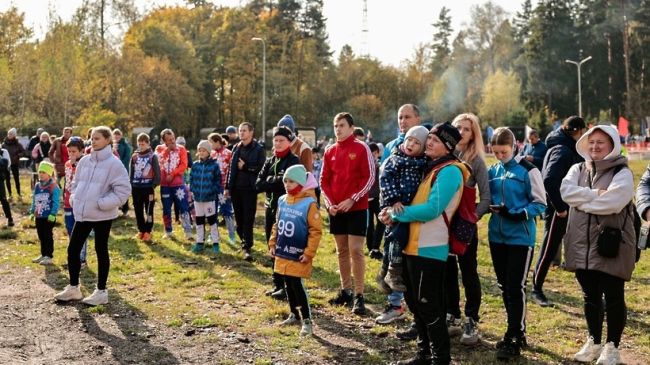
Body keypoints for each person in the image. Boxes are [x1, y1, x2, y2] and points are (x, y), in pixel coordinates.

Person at [384, 122, 467, 365]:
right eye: (429, 138)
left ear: (448, 148)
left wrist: (397, 213)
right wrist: (389, 211)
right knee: (415, 304)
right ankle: (423, 354)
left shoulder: (450, 171)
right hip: (413, 245)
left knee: (429, 307)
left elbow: (433, 209)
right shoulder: (430, 168)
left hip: (431, 248)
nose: (429, 142)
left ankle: (441, 358)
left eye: (435, 141)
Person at [561, 125, 636, 365]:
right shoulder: (577, 168)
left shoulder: (622, 172)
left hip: (611, 244)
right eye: (591, 142)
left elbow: (613, 203)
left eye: (600, 142)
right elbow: (566, 193)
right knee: (589, 295)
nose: (594, 147)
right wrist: (596, 194)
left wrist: (583, 199)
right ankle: (593, 341)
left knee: (613, 296)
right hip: (581, 244)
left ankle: (612, 346)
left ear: (612, 144)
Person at [54, 126, 131, 306]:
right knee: (73, 250)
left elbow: (124, 191)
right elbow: (75, 182)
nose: (93, 141)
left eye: (97, 138)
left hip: (102, 215)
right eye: (92, 138)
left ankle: (101, 292)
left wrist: (102, 204)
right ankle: (74, 288)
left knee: (100, 250)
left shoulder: (114, 163)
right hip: (82, 213)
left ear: (107, 140)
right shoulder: (85, 161)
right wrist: (74, 198)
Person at [487, 127, 546, 361]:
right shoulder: (493, 170)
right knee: (503, 285)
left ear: (515, 147)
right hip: (496, 236)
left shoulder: (528, 171)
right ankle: (514, 328)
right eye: (495, 152)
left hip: (521, 237)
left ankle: (516, 333)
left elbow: (540, 203)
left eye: (504, 152)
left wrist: (517, 213)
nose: (500, 156)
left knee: (515, 286)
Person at [320, 112, 374, 315]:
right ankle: (346, 291)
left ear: (351, 128)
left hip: (357, 208)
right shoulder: (329, 150)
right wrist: (330, 204)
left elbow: (369, 177)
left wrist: (353, 198)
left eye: (342, 125)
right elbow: (323, 180)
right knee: (341, 250)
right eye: (335, 125)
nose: (338, 129)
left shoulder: (362, 148)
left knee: (356, 250)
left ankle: (359, 295)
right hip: (336, 209)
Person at [532, 116, 587, 307]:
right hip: (559, 209)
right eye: (584, 132)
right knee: (549, 248)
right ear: (577, 131)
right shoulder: (562, 150)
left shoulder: (564, 145)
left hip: (570, 206)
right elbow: (549, 180)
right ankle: (536, 289)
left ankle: (589, 292)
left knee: (578, 249)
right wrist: (561, 209)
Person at [446, 113, 491, 345]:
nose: (461, 132)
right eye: (458, 128)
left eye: (466, 129)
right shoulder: (445, 155)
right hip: (442, 223)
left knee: (469, 272)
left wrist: (472, 218)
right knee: (447, 270)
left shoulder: (476, 161)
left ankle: (471, 318)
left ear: (473, 134)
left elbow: (486, 197)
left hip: (464, 225)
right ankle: (452, 315)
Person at [376, 103, 421, 327]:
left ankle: (415, 312)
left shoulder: (425, 145)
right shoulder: (392, 147)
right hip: (393, 212)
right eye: (400, 117)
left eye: (407, 117)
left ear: (418, 119)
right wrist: (384, 210)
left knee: (409, 264)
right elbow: (385, 180)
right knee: (391, 252)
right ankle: (394, 304)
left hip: (416, 215)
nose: (403, 121)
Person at [269, 164, 322, 336]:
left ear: (300, 182)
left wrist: (308, 253)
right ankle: (294, 314)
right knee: (287, 284)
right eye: (285, 181)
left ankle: (307, 320)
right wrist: (272, 244)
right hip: (282, 251)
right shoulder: (282, 200)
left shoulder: (309, 203)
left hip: (298, 254)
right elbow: (277, 224)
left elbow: (315, 231)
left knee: (296, 284)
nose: (287, 184)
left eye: (291, 181)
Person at [379, 126, 429, 292]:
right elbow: (385, 181)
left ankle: (384, 273)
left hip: (411, 206)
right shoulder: (395, 160)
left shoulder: (422, 163)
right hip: (398, 205)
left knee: (398, 237)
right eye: (409, 140)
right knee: (397, 236)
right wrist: (393, 200)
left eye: (416, 143)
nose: (411, 144)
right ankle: (393, 270)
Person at [256, 126, 300, 298]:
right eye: (275, 140)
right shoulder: (270, 160)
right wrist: (276, 180)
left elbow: (291, 183)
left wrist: (271, 181)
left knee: (285, 248)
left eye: (282, 140)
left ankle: (288, 286)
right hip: (270, 208)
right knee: (272, 245)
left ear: (289, 142)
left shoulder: (294, 160)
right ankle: (277, 283)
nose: (278, 143)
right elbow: (258, 184)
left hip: (287, 211)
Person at [226, 122, 265, 261]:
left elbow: (261, 169)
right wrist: (227, 187)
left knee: (248, 219)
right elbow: (231, 169)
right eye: (240, 130)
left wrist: (246, 166)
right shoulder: (236, 147)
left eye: (244, 130)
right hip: (236, 189)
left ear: (251, 132)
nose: (241, 133)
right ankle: (244, 242)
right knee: (239, 219)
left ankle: (247, 247)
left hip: (250, 189)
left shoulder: (259, 149)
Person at [155, 129, 193, 241]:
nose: (172, 141)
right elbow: (158, 162)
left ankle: (188, 231)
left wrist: (173, 174)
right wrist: (167, 150)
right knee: (166, 208)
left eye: (173, 138)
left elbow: (184, 164)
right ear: (164, 141)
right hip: (165, 185)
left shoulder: (181, 149)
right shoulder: (159, 149)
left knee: (183, 207)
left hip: (178, 184)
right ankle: (168, 231)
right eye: (169, 140)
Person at [190, 140, 222, 254]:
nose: (202, 152)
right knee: (199, 221)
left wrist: (211, 191)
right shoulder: (195, 165)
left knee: (212, 221)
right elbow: (191, 179)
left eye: (204, 150)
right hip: (198, 198)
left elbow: (218, 181)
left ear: (209, 152)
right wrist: (193, 190)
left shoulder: (214, 166)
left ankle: (215, 242)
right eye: (200, 150)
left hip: (209, 199)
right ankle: (199, 242)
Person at [130, 133, 161, 243]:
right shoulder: (134, 156)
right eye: (139, 144)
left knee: (148, 210)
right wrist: (131, 184)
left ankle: (148, 230)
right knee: (138, 210)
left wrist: (153, 185)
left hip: (148, 188)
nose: (141, 146)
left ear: (148, 144)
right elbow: (131, 172)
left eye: (143, 144)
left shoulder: (153, 156)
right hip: (136, 187)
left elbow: (157, 174)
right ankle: (141, 230)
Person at [63, 137, 89, 267]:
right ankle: (73, 255)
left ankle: (82, 258)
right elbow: (66, 182)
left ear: (82, 151)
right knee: (69, 228)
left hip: (80, 202)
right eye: (69, 151)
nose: (71, 154)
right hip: (68, 201)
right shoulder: (67, 164)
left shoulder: (85, 163)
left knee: (79, 231)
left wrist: (75, 165)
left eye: (74, 151)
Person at [208, 133, 237, 245]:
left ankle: (232, 235)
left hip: (224, 187)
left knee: (227, 211)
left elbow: (231, 171)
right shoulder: (211, 154)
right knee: (212, 211)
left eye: (211, 143)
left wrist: (228, 187)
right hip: (212, 188)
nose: (210, 146)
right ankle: (213, 235)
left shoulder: (228, 154)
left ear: (217, 141)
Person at [29, 161, 60, 265]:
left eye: (44, 172)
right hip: (39, 215)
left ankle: (49, 256)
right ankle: (43, 254)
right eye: (40, 172)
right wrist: (32, 211)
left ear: (49, 174)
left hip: (48, 216)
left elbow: (56, 201)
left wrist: (53, 213)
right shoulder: (37, 186)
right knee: (41, 235)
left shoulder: (53, 186)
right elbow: (34, 199)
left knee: (47, 235)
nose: (41, 174)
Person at [366, 142, 383, 260]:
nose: (372, 155)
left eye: (375, 153)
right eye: (370, 153)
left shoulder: (380, 166)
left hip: (377, 198)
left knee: (381, 221)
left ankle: (375, 246)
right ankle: (371, 247)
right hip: (366, 198)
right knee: (369, 225)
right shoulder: (364, 166)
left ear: (378, 153)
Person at [113, 129, 132, 216]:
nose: (116, 136)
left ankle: (125, 209)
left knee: (123, 189)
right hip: (112, 172)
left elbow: (126, 159)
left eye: (118, 135)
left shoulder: (126, 146)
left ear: (121, 136)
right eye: (115, 135)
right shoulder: (110, 145)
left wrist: (118, 167)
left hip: (122, 171)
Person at [3, 128, 26, 199]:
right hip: (6, 164)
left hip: (15, 163)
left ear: (14, 135)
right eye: (9, 134)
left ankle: (19, 194)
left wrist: (18, 155)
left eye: (11, 134)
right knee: (7, 179)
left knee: (16, 179)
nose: (9, 135)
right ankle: (10, 195)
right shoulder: (4, 144)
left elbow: (23, 152)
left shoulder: (18, 144)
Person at [0, 146, 14, 227]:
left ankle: (9, 218)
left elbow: (6, 164)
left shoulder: (3, 152)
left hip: (0, 180)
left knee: (3, 199)